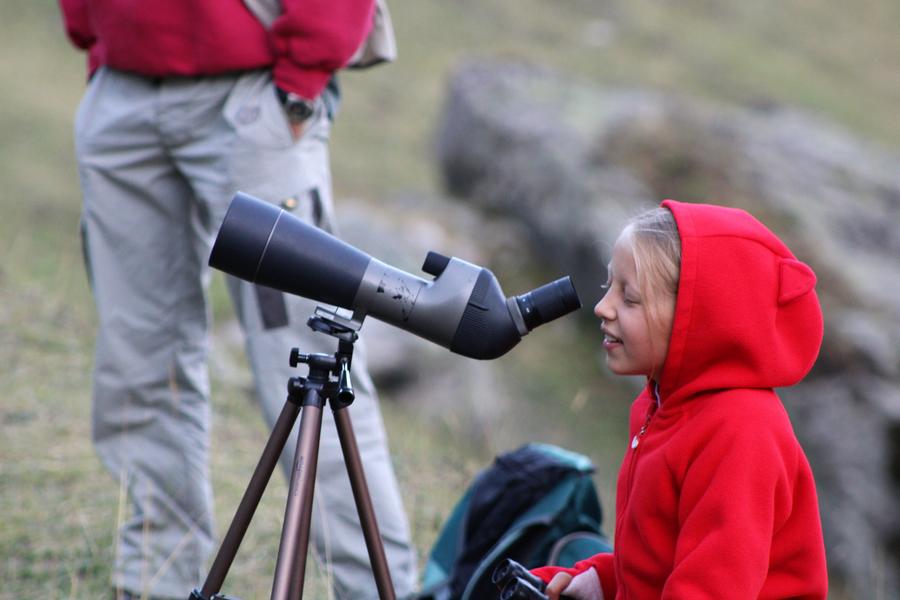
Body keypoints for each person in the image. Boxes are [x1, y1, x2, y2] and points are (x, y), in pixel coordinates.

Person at [57, 1, 417, 598]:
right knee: (139, 363)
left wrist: (302, 84)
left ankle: (382, 591)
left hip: (252, 102)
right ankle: (156, 582)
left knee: (312, 368)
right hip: (122, 92)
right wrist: (100, 41)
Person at [534, 200, 828, 599]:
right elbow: (659, 559)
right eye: (609, 287)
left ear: (698, 315)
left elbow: (711, 589)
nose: (603, 307)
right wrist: (604, 580)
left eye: (630, 298)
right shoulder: (660, 402)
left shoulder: (742, 432)